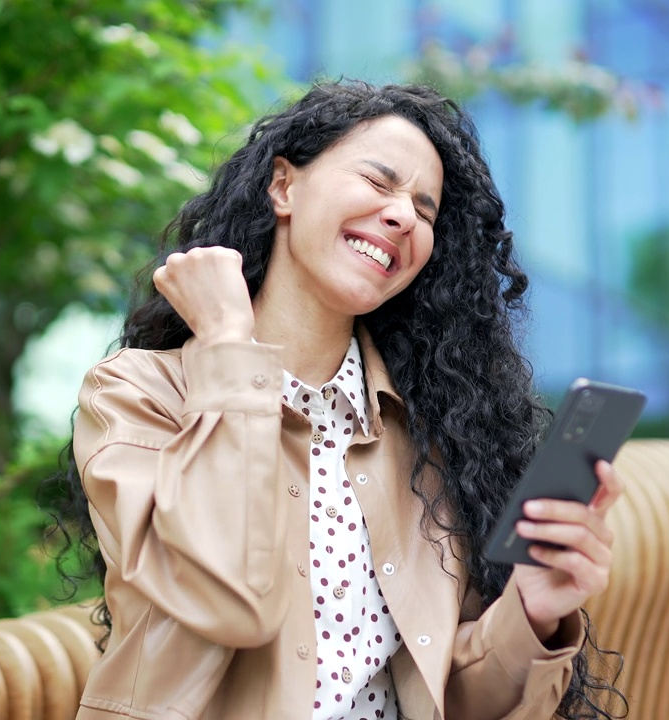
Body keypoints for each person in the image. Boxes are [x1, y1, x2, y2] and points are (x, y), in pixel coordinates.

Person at [51, 80, 626, 720]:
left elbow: (443, 702)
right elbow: (225, 599)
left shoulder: (426, 436)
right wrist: (226, 346)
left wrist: (533, 608)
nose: (403, 215)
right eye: (379, 183)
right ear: (283, 186)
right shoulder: (138, 395)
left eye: (425, 211)